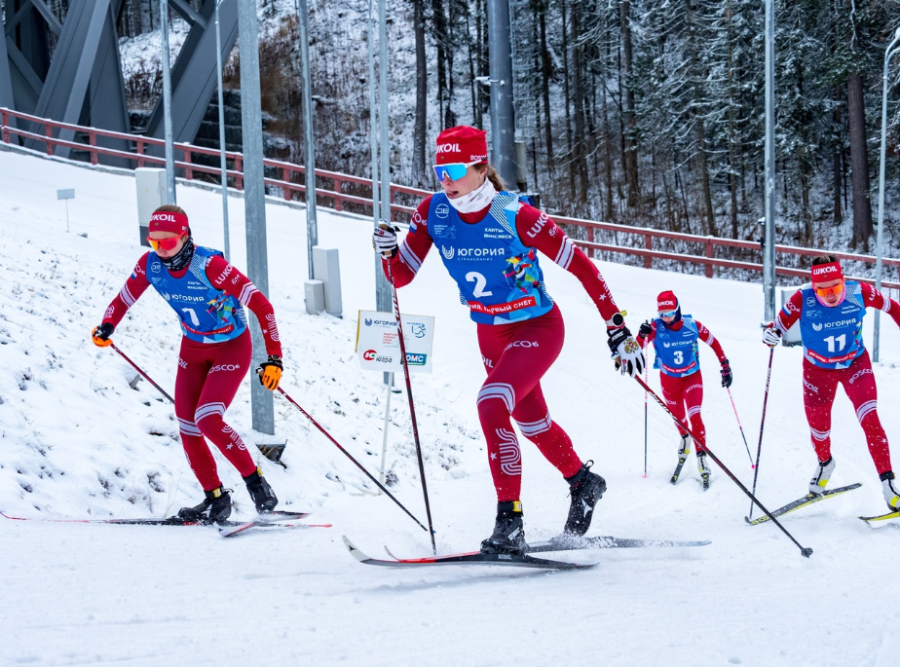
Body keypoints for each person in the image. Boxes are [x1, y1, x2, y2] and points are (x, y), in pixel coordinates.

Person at [372, 126, 644, 553]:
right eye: (439, 169)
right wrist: (388, 250)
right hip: (490, 334)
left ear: (481, 168)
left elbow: (583, 267)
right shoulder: (433, 214)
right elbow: (400, 277)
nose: (445, 178)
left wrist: (616, 326)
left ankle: (509, 522)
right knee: (533, 425)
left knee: (491, 402)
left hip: (537, 328)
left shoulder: (514, 214)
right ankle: (583, 482)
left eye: (455, 169)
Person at [91, 205, 284, 522]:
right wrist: (107, 325)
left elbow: (262, 306)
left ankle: (257, 484)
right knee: (186, 424)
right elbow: (125, 297)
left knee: (208, 419)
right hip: (192, 349)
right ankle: (215, 498)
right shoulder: (151, 266)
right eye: (154, 242)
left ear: (185, 236)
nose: (161, 250)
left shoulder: (210, 265)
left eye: (167, 243)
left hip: (231, 347)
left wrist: (274, 358)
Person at [763, 255, 900, 512]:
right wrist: (770, 334)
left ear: (843, 281)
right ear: (814, 288)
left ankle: (889, 486)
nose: (831, 296)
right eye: (823, 290)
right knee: (819, 430)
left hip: (855, 365)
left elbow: (893, 307)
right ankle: (825, 462)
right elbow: (776, 327)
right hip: (817, 371)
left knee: (870, 419)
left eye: (836, 288)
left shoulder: (860, 293)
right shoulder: (802, 299)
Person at [637, 291, 732, 487]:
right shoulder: (655, 327)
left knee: (695, 416)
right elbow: (636, 350)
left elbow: (714, 342)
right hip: (669, 380)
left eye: (670, 313)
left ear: (677, 309)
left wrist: (725, 365)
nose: (666, 318)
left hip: (691, 377)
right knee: (679, 419)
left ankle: (701, 457)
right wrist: (641, 334)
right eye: (662, 314)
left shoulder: (692, 325)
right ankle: (684, 438)